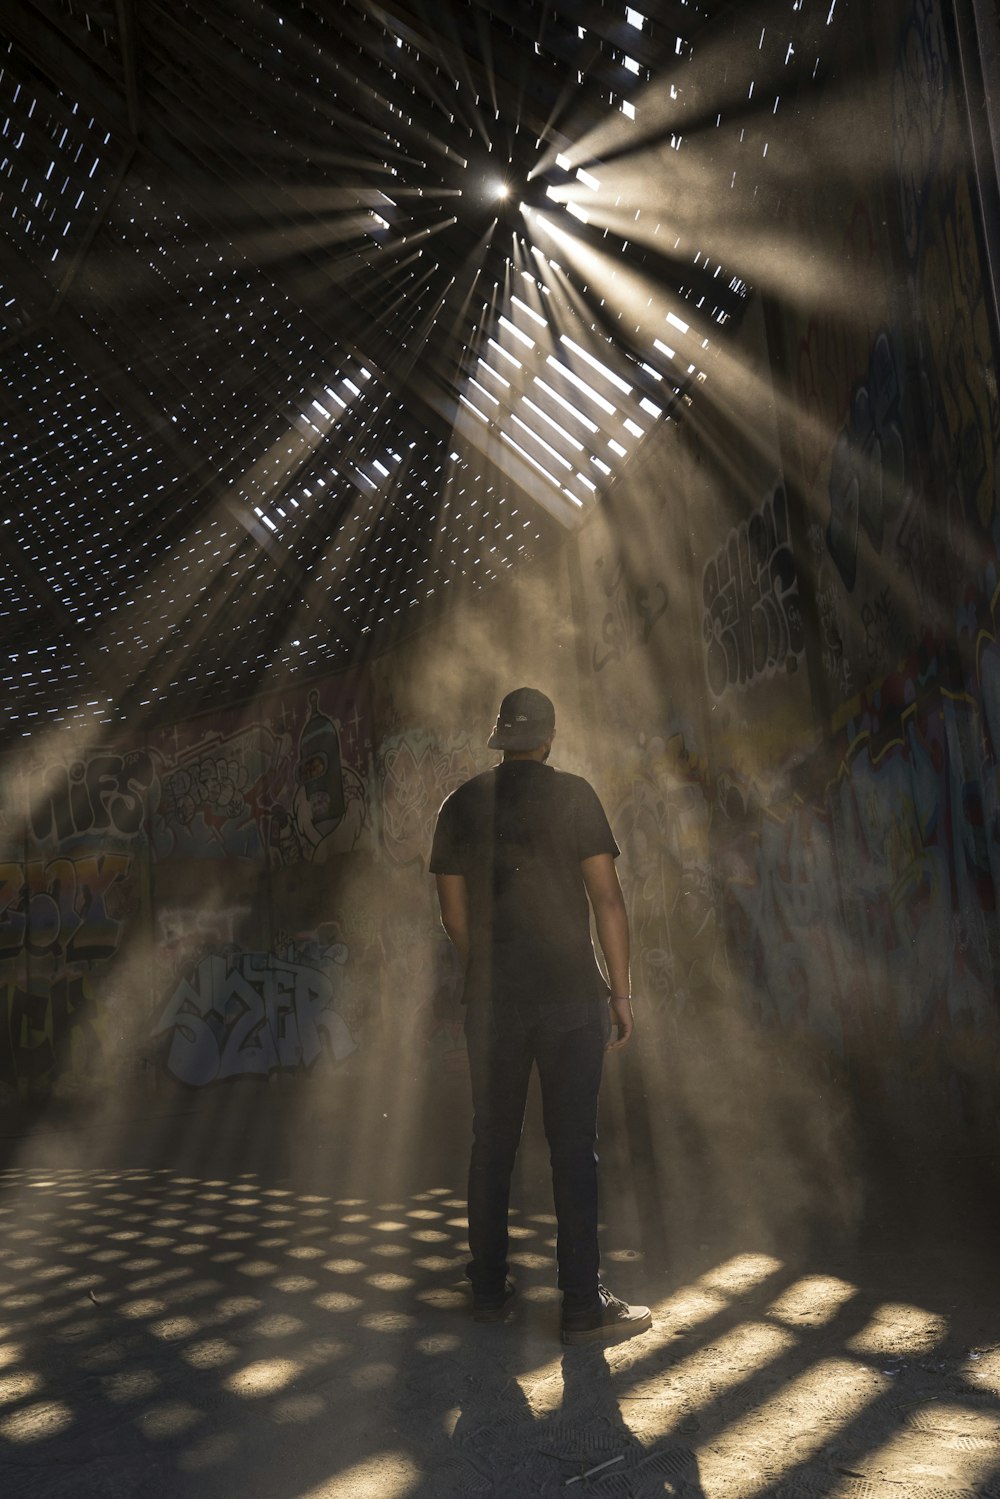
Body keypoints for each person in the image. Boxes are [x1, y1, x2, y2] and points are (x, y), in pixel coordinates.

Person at [430, 687, 651, 1346]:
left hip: (493, 1000)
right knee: (573, 1149)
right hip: (572, 997)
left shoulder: (461, 804)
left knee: (491, 1143)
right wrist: (621, 990)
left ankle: (490, 1289)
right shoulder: (576, 795)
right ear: (549, 738)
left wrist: (486, 968)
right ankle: (582, 1303)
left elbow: (453, 912)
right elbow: (607, 900)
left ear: (499, 738)